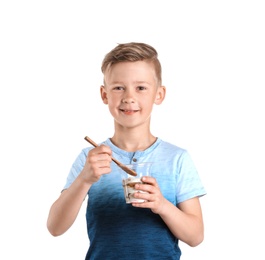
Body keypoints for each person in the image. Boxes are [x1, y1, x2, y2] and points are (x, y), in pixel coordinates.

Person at [47, 42, 206, 259]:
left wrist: (162, 205)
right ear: (105, 95)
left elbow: (195, 236)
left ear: (159, 95)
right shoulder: (89, 159)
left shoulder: (177, 159)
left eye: (140, 88)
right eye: (118, 87)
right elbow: (55, 227)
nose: (129, 97)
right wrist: (84, 179)